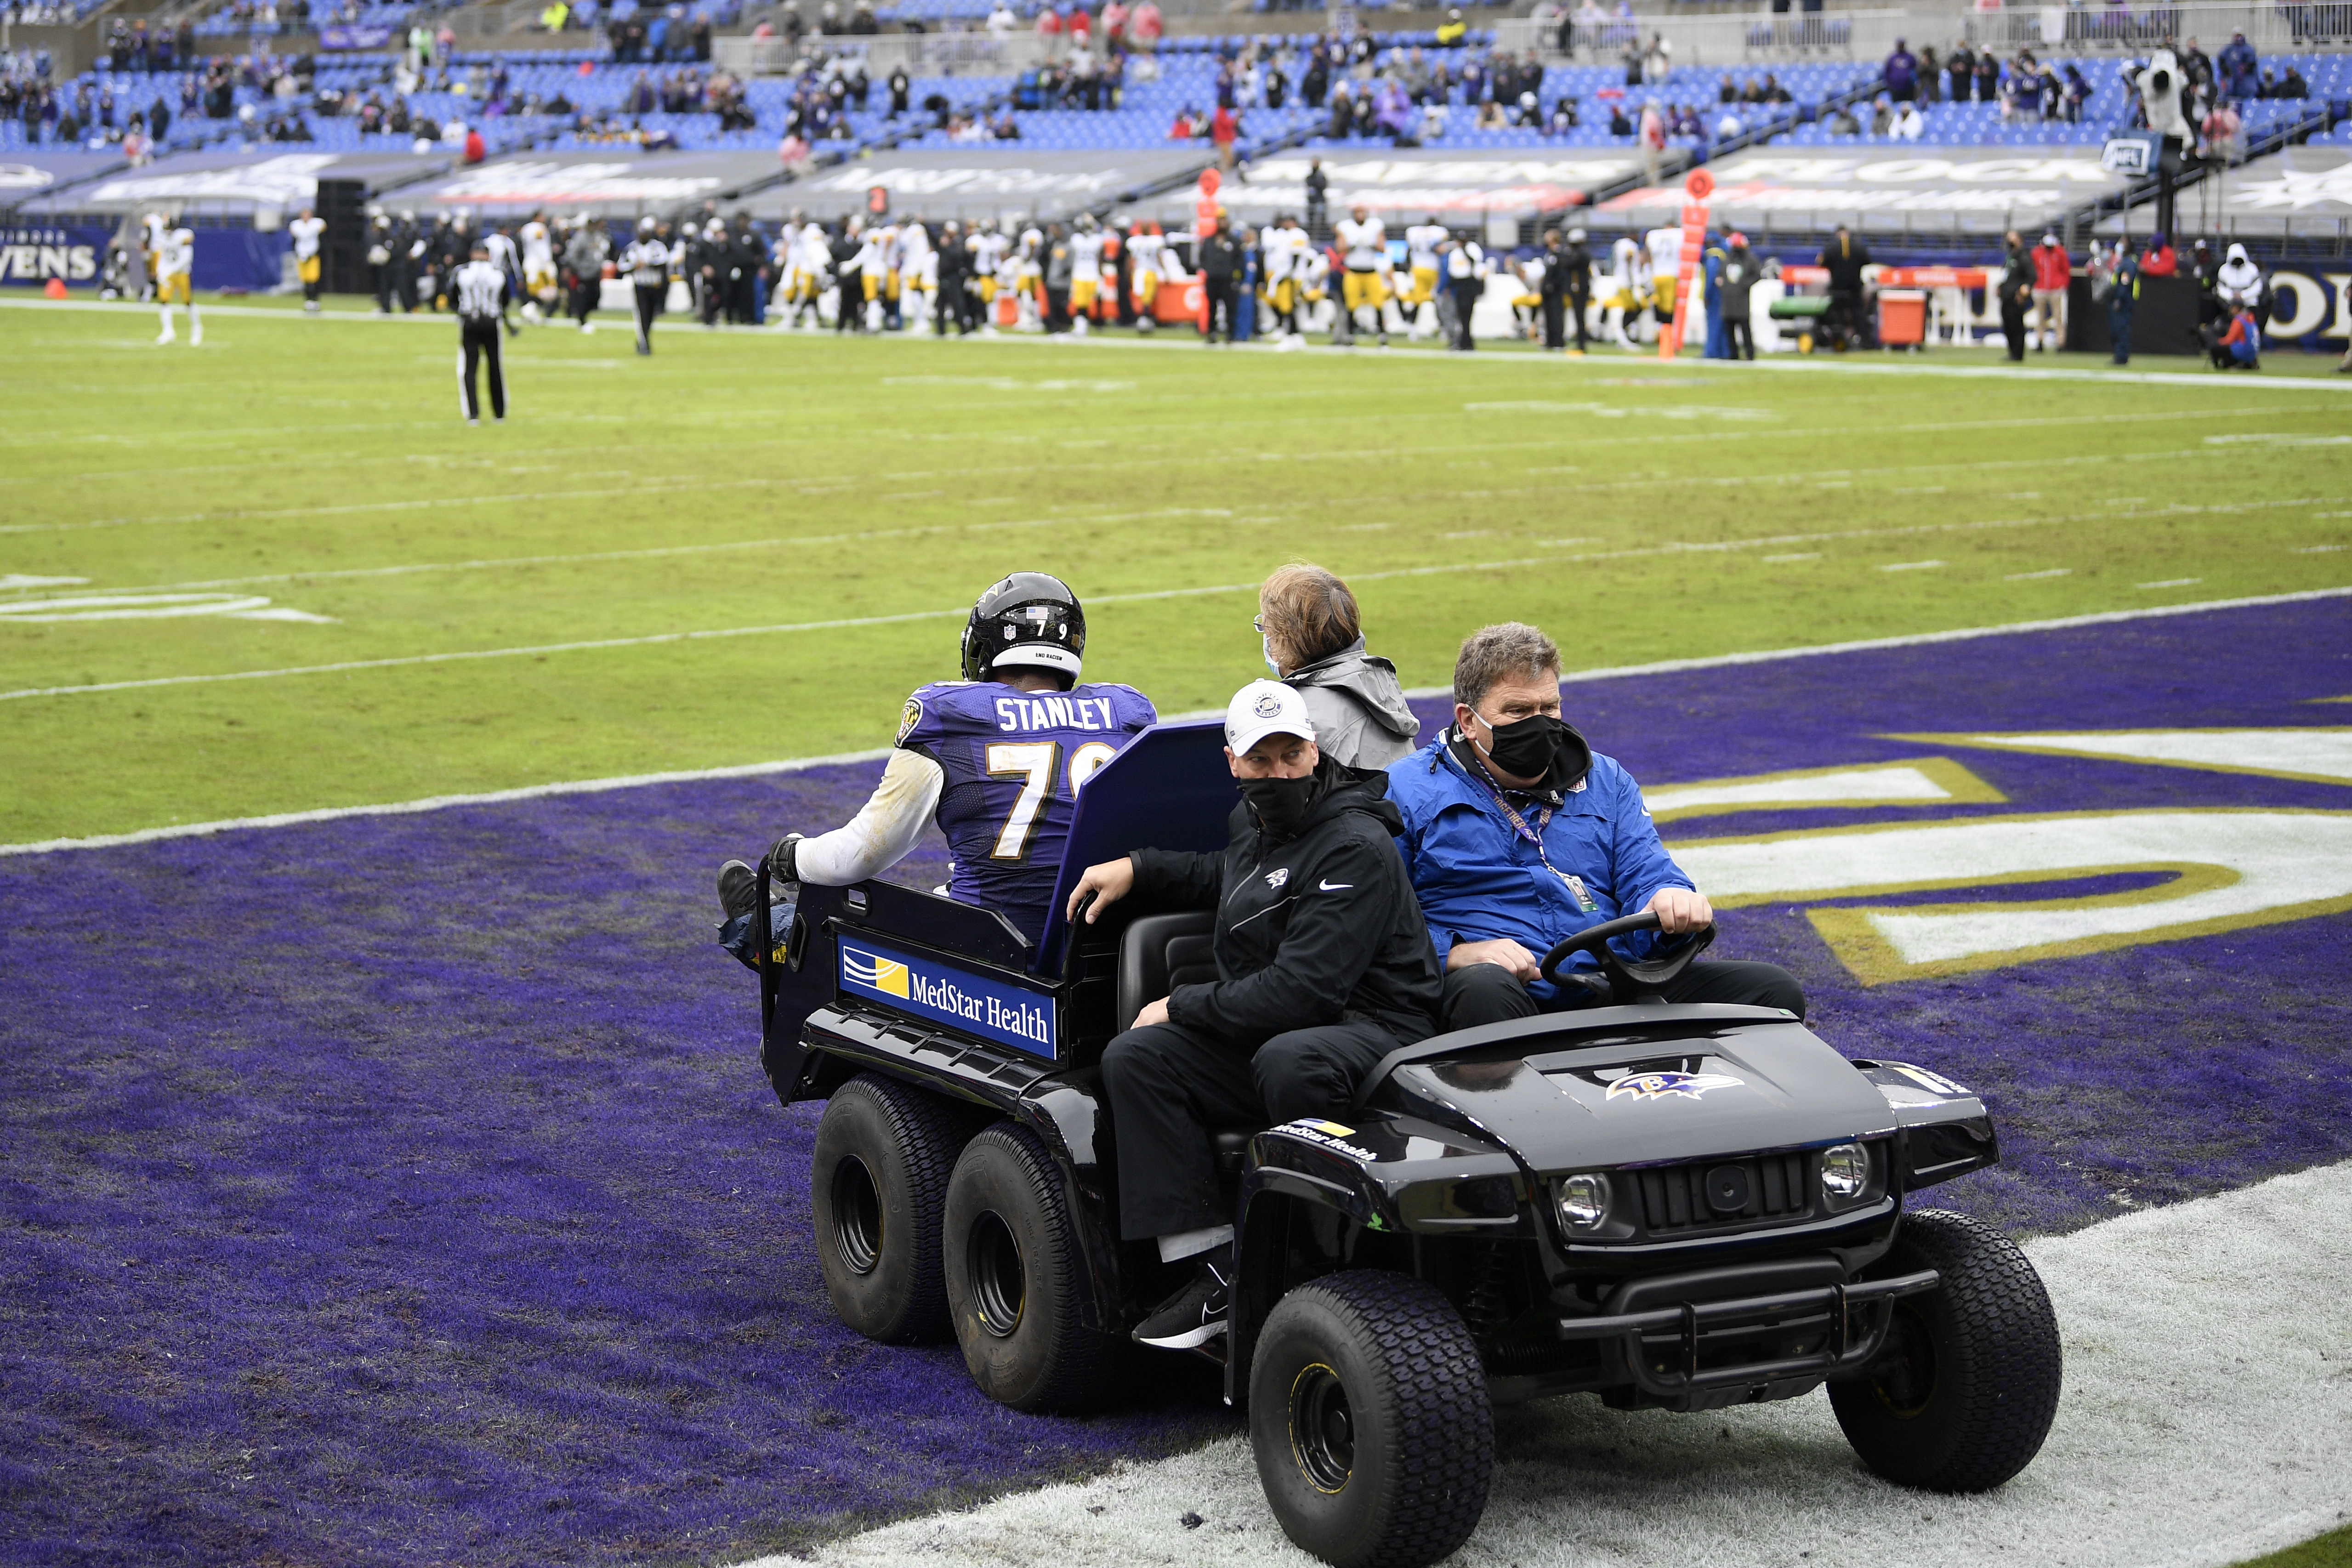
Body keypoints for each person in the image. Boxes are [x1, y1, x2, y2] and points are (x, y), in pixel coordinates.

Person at [1064, 679, 1443, 1349]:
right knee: (1136, 1059)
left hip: (1379, 1033)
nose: (1278, 774)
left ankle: (1320, 1261)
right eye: (1260, 760)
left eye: (1290, 756)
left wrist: (1180, 1004)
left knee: (1289, 1056)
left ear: (1313, 751)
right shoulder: (1253, 823)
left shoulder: (1355, 845)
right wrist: (1138, 866)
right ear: (1232, 762)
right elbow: (1234, 876)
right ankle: (1212, 1268)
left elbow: (1303, 994)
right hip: (1286, 1028)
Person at [1385, 622, 1805, 1034]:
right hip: (1508, 987)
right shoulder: (1404, 791)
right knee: (1481, 990)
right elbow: (1378, 920)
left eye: (1548, 708)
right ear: (1468, 720)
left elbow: (1647, 870)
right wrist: (1455, 953)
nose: (1539, 723)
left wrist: (1669, 895)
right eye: (1517, 711)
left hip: (1611, 977)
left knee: (1773, 992)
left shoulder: (1607, 779)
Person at [716, 574, 1158, 956]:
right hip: (1104, 939)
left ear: (982, 646)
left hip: (990, 945)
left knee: (840, 931)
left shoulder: (951, 713)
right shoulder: (1127, 712)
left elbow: (858, 855)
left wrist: (795, 856)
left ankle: (765, 932)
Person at [1257, 562, 1418, 768]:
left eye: (1266, 626)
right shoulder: (1379, 682)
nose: (1266, 635)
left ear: (1286, 637)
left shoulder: (1299, 714)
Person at [450, 239, 508, 425]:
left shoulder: (461, 271)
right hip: (492, 321)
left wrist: (461, 312)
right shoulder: (498, 272)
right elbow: (505, 300)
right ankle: (499, 413)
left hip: (469, 322)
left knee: (469, 368)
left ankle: (473, 414)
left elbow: (452, 295)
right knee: (495, 367)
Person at [1333, 203, 1388, 347]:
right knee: (1351, 305)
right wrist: (1353, 245)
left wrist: (1371, 245)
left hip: (1371, 271)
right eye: (1357, 212)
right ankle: (1350, 337)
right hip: (1353, 271)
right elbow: (1340, 248)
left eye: (1362, 212)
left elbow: (1383, 248)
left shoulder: (1375, 226)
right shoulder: (1346, 227)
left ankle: (1383, 337)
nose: (1360, 215)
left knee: (1378, 304)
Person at [621, 215, 669, 355]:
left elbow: (663, 262)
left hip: (654, 285)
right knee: (642, 314)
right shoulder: (632, 248)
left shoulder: (657, 247)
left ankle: (644, 340)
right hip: (641, 285)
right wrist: (635, 266)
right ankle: (644, 344)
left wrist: (648, 264)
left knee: (651, 315)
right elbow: (622, 266)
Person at [1816, 224, 1868, 348]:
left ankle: (1839, 341)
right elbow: (1867, 260)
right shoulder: (1858, 247)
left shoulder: (1832, 248)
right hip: (1854, 288)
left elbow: (1822, 263)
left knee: (1837, 316)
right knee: (1858, 315)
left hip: (1837, 288)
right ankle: (1865, 342)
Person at [153, 216, 198, 346]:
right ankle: (168, 332)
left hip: (182, 272)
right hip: (169, 271)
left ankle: (196, 329)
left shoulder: (183, 236)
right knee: (164, 301)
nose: (167, 231)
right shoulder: (162, 238)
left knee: (187, 301)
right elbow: (162, 256)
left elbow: (186, 258)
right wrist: (160, 271)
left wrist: (170, 270)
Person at [1719, 231, 1760, 360]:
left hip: (1741, 300)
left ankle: (1749, 354)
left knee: (1745, 330)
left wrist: (1745, 285)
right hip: (1729, 300)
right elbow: (1721, 275)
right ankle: (1733, 354)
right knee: (1729, 331)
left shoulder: (1749, 259)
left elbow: (1757, 275)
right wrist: (1724, 286)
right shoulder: (1728, 259)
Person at [1998, 229, 2033, 362]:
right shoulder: (2010, 257)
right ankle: (2012, 353)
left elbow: (2032, 276)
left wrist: (2025, 288)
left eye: (2012, 238)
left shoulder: (2024, 257)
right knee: (2008, 325)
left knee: (2016, 326)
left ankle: (2018, 354)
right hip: (2006, 296)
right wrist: (2000, 287)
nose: (2010, 241)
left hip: (2016, 297)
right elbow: (2007, 276)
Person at [2031, 231, 2069, 352]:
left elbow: (2066, 270)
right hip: (2040, 289)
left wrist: (2062, 284)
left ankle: (2061, 342)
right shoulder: (2037, 253)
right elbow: (2032, 269)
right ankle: (2040, 340)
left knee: (2058, 317)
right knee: (2040, 317)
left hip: (2055, 290)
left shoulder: (2059, 252)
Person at [1558, 225, 1593, 355]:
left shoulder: (1580, 254)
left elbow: (1568, 264)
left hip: (1579, 288)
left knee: (1580, 317)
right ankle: (1580, 344)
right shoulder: (1583, 253)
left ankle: (1581, 345)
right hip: (1579, 287)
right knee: (1579, 317)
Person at [2105, 234, 2138, 364]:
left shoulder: (2129, 263)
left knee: (2121, 329)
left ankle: (2122, 356)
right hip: (2118, 299)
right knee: (2116, 329)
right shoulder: (2122, 262)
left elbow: (2125, 283)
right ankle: (2119, 354)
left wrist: (2119, 299)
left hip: (2124, 302)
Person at [288, 203, 325, 313]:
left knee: (314, 279)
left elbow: (323, 226)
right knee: (305, 280)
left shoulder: (315, 223)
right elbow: (293, 231)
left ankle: (315, 301)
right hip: (302, 256)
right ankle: (308, 302)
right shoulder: (297, 225)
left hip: (313, 255)